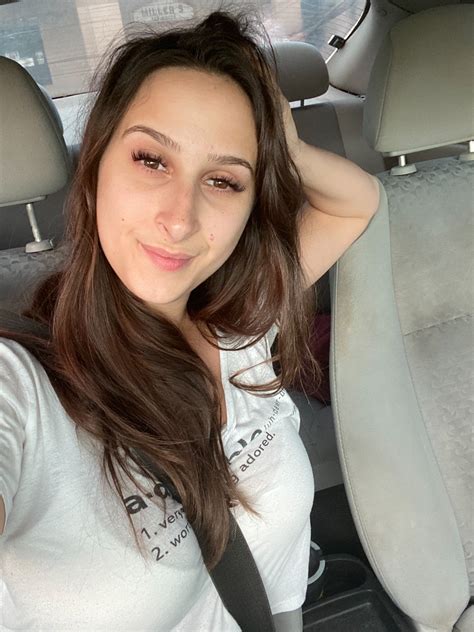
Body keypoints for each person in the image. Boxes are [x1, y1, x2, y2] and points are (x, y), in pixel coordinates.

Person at [0, 11, 379, 631]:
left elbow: (355, 203)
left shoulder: (242, 326)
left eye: (224, 180)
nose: (180, 219)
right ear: (94, 170)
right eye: (151, 160)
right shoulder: (21, 389)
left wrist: (281, 146)